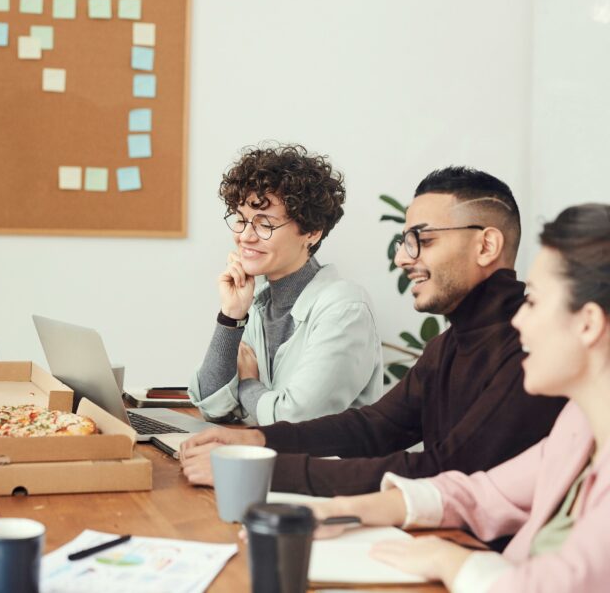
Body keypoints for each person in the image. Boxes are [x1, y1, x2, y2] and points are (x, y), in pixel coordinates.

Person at [180, 167, 566, 497]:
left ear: (486, 246)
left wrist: (257, 470)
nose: (402, 257)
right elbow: (374, 426)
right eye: (405, 241)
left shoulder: (531, 348)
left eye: (424, 240)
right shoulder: (448, 344)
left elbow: (444, 472)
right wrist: (256, 440)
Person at [312, 203, 610, 592]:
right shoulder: (578, 425)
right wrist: (345, 509)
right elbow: (480, 494)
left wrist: (448, 559)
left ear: (587, 323)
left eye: (533, 301)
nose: (518, 319)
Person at [189, 144, 383, 426]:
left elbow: (294, 420)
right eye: (241, 220)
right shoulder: (259, 304)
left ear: (312, 232)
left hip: (325, 468)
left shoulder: (345, 309)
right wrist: (231, 317)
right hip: (268, 462)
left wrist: (246, 383)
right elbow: (211, 405)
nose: (245, 236)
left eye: (264, 223)